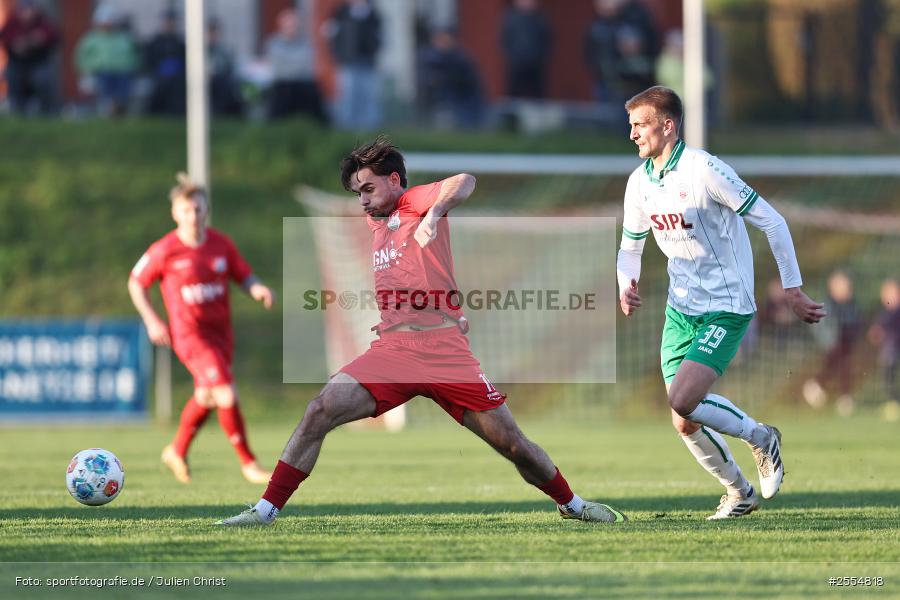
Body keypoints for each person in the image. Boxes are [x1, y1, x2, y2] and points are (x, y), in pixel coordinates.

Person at [216, 138, 627, 526]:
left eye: (367, 188)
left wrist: (433, 214)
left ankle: (573, 505)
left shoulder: (415, 201)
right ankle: (265, 510)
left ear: (394, 180)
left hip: (445, 351)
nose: (361, 199)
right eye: (357, 192)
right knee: (319, 410)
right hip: (393, 349)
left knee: (513, 444)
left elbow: (465, 182)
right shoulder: (379, 224)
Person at [616, 86, 825, 520]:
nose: (632, 133)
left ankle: (762, 437)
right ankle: (739, 492)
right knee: (683, 419)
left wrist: (792, 288)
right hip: (681, 307)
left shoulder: (704, 170)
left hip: (727, 304)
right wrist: (627, 283)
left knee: (682, 398)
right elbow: (630, 246)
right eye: (631, 125)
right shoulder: (639, 184)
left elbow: (772, 219)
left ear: (667, 126)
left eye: (640, 124)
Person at [129, 174, 275, 485]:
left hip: (221, 335)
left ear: (205, 210)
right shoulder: (164, 250)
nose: (192, 216)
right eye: (185, 210)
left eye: (197, 209)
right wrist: (152, 320)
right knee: (224, 390)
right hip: (189, 335)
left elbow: (243, 275)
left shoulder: (221, 244)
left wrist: (258, 288)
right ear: (175, 213)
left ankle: (176, 450)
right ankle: (249, 463)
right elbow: (136, 282)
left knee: (207, 396)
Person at [802, 270, 860, 415]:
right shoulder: (827, 304)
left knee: (841, 366)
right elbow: (823, 327)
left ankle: (821, 387)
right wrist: (830, 342)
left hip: (845, 343)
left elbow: (855, 323)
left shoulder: (851, 304)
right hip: (833, 343)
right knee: (840, 365)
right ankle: (840, 396)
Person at [323, 0, 382, 129]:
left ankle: (369, 128)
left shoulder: (373, 14)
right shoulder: (340, 12)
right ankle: (346, 127)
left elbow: (379, 36)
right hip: (347, 61)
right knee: (348, 96)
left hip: (367, 61)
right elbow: (332, 35)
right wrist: (338, 55)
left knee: (367, 96)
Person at [74, 3, 139, 116]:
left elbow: (134, 56)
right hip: (100, 71)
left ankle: (120, 105)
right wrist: (88, 68)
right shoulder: (92, 39)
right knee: (105, 83)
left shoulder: (124, 38)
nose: (107, 25)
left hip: (122, 72)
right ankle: (108, 107)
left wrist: (132, 67)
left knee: (123, 84)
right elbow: (81, 57)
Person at [264, 7, 328, 122]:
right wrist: (295, 65)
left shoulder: (306, 43)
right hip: (283, 83)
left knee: (312, 89)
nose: (292, 27)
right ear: (281, 25)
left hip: (302, 82)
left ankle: (316, 123)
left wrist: (291, 64)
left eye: (294, 24)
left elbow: (307, 64)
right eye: (289, 24)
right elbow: (278, 66)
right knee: (281, 91)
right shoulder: (273, 43)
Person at [417, 28, 485, 129]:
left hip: (465, 96)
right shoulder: (431, 58)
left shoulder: (460, 57)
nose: (442, 43)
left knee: (468, 125)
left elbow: (465, 79)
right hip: (447, 97)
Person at [0, 0, 58, 115]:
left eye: (30, 10)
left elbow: (53, 35)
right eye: (24, 10)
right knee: (11, 76)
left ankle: (46, 110)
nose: (27, 13)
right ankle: (16, 109)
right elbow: (4, 37)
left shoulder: (42, 22)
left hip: (38, 63)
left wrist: (36, 40)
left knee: (42, 79)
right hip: (17, 64)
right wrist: (15, 44)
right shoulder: (13, 23)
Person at [500, 0, 552, 99]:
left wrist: (542, 56)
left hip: (536, 64)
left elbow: (547, 40)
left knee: (538, 95)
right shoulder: (510, 18)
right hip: (516, 64)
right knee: (513, 94)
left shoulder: (541, 18)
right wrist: (512, 56)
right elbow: (504, 39)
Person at [143, 9, 186, 116]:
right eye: (167, 21)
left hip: (178, 77)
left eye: (171, 21)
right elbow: (148, 61)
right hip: (157, 76)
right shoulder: (154, 42)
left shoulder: (180, 43)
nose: (169, 24)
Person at [869, 278, 900, 405]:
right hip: (890, 351)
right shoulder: (884, 313)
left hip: (893, 348)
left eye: (892, 292)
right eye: (886, 293)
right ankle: (893, 401)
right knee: (888, 374)